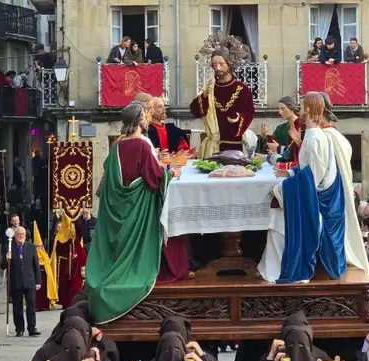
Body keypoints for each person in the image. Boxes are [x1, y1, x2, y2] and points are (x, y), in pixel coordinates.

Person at [86, 103, 183, 324]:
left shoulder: (117, 146)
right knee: (136, 260)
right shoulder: (141, 145)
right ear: (138, 120)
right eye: (145, 116)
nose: (148, 119)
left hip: (119, 209)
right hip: (138, 209)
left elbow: (111, 180)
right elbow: (154, 177)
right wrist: (171, 173)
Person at [258, 92, 369, 283]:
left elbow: (315, 177)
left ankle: (279, 269)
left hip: (322, 201)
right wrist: (290, 174)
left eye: (301, 106)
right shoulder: (312, 134)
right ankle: (274, 267)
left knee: (277, 220)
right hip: (318, 195)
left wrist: (284, 186)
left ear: (309, 109)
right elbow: (308, 168)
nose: (298, 109)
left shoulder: (317, 137)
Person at [189, 45, 255, 158]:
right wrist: (204, 96)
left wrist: (239, 119)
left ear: (229, 64)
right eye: (215, 65)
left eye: (221, 64)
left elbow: (249, 112)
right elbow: (195, 111)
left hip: (235, 147)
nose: (218, 68)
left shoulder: (242, 89)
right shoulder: (209, 88)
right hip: (212, 148)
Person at [0, 226, 42, 337]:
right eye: (19, 234)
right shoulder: (10, 247)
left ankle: (32, 328)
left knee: (31, 305)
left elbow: (36, 265)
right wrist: (6, 258)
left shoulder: (31, 247)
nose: (21, 236)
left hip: (29, 280)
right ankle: (19, 328)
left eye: (23, 234)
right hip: (16, 280)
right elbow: (2, 266)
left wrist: (38, 281)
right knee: (17, 306)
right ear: (15, 235)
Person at [54, 214, 87, 309]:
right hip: (64, 264)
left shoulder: (75, 239)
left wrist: (74, 219)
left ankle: (72, 302)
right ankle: (65, 303)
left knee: (75, 284)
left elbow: (80, 230)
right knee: (64, 285)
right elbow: (58, 250)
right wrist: (66, 243)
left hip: (74, 263)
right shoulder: (59, 238)